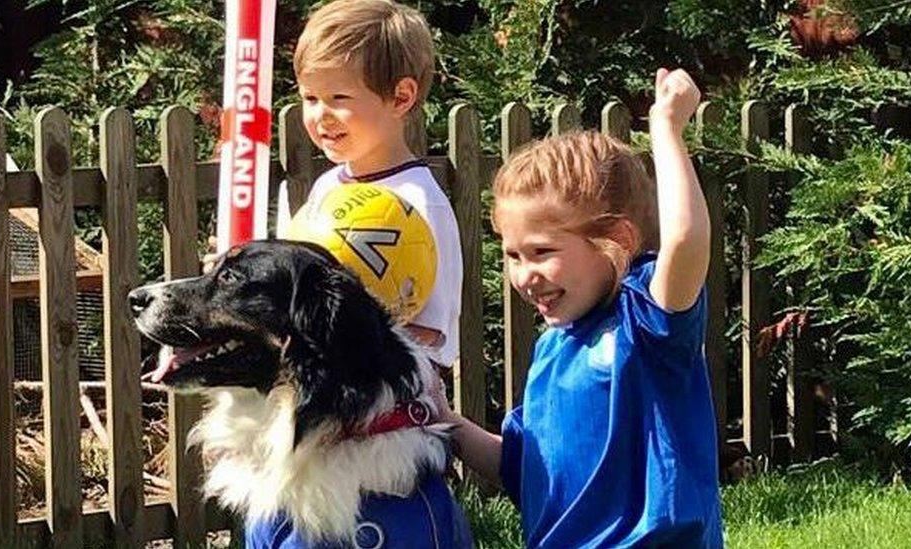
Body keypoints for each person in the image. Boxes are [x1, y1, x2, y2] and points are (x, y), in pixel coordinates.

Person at [434, 68, 724, 547]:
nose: (524, 275)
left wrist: (666, 128)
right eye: (513, 255)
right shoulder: (551, 352)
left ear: (618, 241)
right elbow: (521, 468)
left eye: (543, 252)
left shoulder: (647, 322)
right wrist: (444, 420)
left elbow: (686, 239)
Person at [266, 0, 463, 369]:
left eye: (338, 98)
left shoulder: (420, 202)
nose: (319, 116)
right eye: (310, 98)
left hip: (393, 412)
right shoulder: (325, 188)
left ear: (401, 97)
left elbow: (432, 335)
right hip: (326, 404)